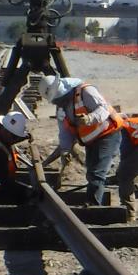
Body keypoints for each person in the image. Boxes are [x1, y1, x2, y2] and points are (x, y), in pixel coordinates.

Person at [38, 75, 123, 207]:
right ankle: (92, 204)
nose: (55, 103)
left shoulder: (85, 91)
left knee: (97, 173)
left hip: (107, 135)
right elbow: (65, 132)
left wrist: (89, 118)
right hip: (90, 140)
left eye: (55, 99)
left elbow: (103, 109)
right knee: (91, 173)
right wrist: (65, 151)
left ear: (61, 92)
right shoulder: (62, 107)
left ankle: (94, 207)